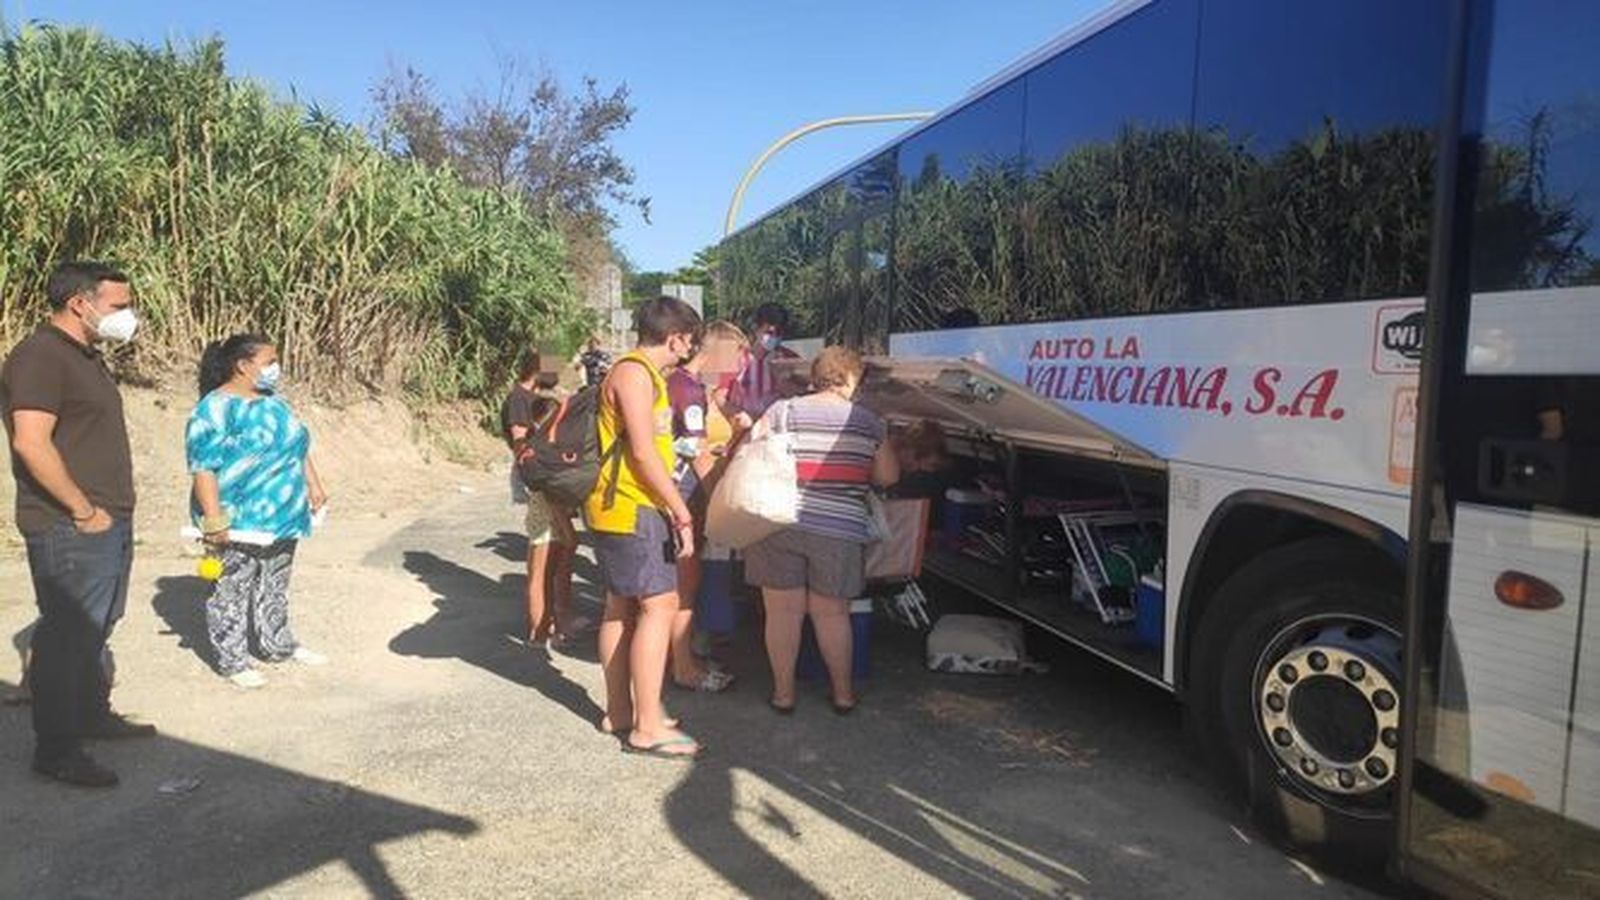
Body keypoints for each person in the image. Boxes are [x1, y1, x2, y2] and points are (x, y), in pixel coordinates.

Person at [0, 260, 155, 788]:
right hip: (69, 524)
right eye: (118, 306)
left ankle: (89, 716)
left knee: (98, 625)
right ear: (80, 304)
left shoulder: (84, 355)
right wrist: (82, 510)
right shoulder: (40, 356)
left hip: (105, 518)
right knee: (68, 634)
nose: (127, 316)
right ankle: (57, 748)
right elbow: (30, 441)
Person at [743, 346, 899, 715]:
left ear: (817, 376)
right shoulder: (869, 422)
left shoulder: (782, 411)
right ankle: (843, 695)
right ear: (850, 379)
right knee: (832, 614)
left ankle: (783, 694)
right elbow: (888, 477)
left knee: (782, 613)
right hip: (838, 529)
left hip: (779, 521)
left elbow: (752, 453)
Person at [584, 296, 704, 759]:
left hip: (622, 507)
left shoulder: (638, 373)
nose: (687, 352)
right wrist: (681, 509)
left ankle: (621, 712)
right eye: (688, 343)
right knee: (660, 605)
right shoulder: (635, 374)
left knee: (620, 607)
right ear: (676, 338)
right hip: (632, 508)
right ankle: (647, 725)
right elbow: (642, 453)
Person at [185, 334, 329, 689]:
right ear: (243, 366)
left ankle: (277, 644)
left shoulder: (275, 404)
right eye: (270, 361)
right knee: (232, 587)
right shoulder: (213, 409)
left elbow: (296, 446)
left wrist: (313, 484)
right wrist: (213, 519)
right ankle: (233, 660)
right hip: (239, 517)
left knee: (275, 583)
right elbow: (203, 467)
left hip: (284, 513)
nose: (276, 369)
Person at [664, 321, 748, 692]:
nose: (736, 369)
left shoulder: (685, 384)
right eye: (734, 359)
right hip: (682, 498)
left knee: (684, 582)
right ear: (715, 350)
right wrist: (722, 500)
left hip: (683, 497)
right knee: (684, 583)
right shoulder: (689, 388)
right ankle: (683, 668)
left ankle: (684, 659)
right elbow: (695, 453)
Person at [501, 347, 585, 648]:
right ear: (539, 368)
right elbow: (523, 447)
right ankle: (539, 630)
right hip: (541, 483)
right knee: (540, 567)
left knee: (555, 559)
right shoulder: (519, 401)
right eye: (555, 368)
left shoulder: (534, 398)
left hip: (547, 482)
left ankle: (555, 618)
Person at [728, 302, 802, 427]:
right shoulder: (735, 359)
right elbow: (720, 397)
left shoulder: (790, 359)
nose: (774, 338)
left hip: (775, 430)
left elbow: (800, 396)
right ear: (756, 329)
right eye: (769, 332)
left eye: (778, 333)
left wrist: (782, 378)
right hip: (741, 428)